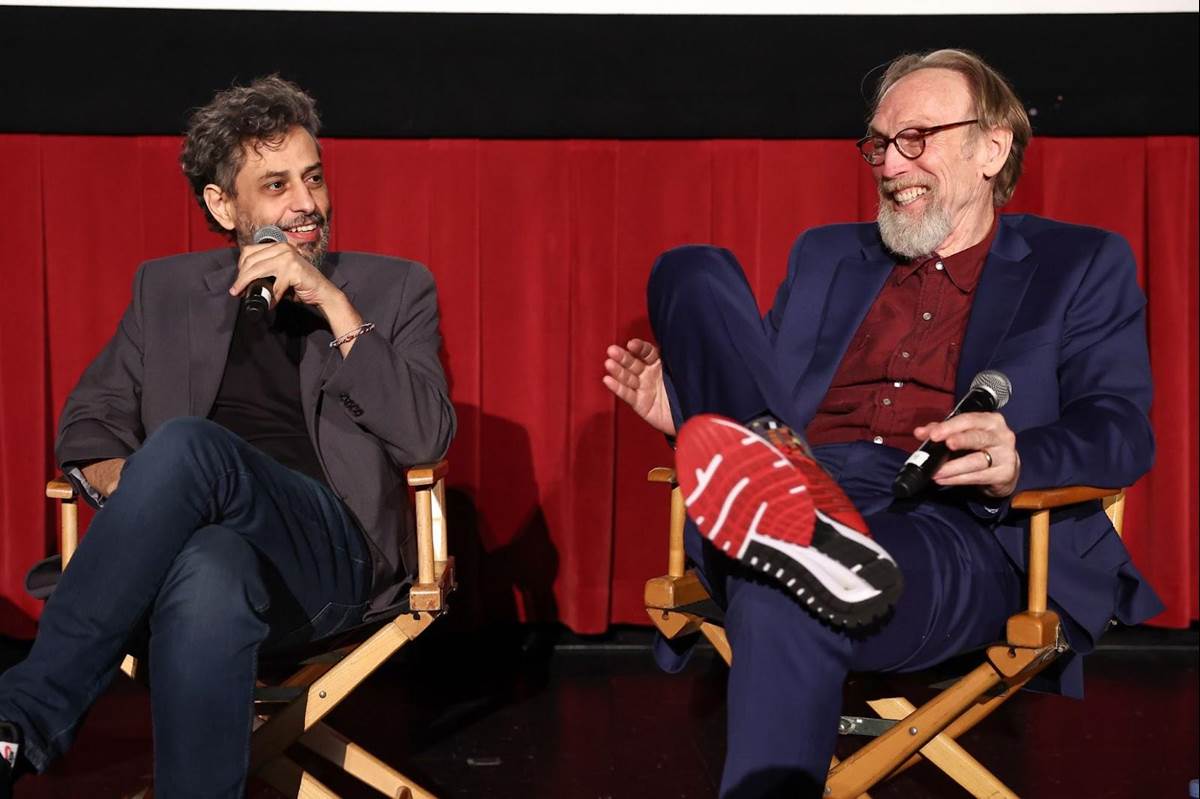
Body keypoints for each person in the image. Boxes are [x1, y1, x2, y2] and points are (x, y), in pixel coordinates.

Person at [604, 49, 1163, 797]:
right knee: (691, 267)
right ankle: (770, 476)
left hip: (948, 524)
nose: (889, 163)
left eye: (917, 137)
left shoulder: (1079, 261)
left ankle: (786, 515)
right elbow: (754, 371)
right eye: (878, 142)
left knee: (786, 578)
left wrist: (1020, 454)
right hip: (805, 473)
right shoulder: (827, 254)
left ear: (991, 149)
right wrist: (692, 412)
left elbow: (1122, 426)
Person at [0, 76, 455, 797]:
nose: (304, 203)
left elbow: (426, 433)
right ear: (223, 205)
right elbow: (91, 419)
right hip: (197, 559)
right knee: (211, 562)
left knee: (186, 446)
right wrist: (135, 485)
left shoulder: (393, 288)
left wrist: (335, 306)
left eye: (312, 177)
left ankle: (17, 722)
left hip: (327, 557)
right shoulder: (168, 292)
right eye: (274, 185)